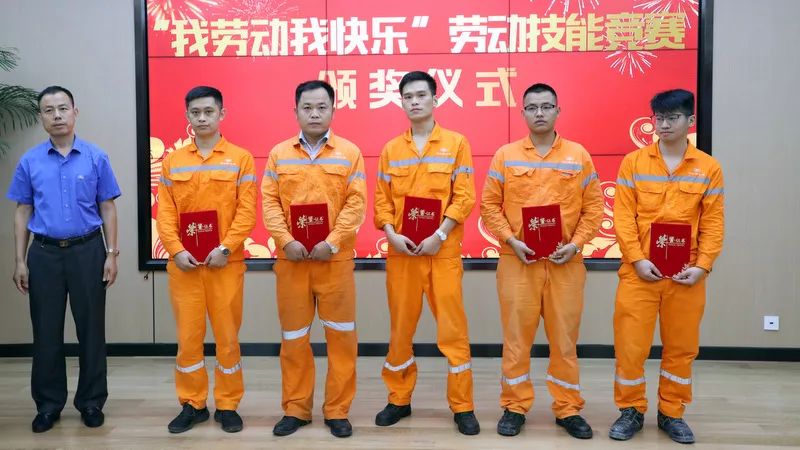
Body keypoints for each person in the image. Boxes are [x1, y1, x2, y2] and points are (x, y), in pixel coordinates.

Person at [480, 82, 603, 439]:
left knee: (564, 340)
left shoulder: (578, 155)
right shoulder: (506, 155)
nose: (539, 113)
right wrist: (511, 240)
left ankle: (568, 408)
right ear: (522, 113)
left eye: (546, 106)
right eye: (532, 107)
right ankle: (514, 406)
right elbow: (489, 205)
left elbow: (594, 207)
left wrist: (576, 245)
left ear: (558, 111)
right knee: (516, 339)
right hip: (519, 262)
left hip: (565, 263)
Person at [608, 89, 724, 444]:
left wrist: (703, 266)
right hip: (639, 274)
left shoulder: (708, 168)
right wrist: (637, 258)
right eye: (658, 118)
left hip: (685, 275)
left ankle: (672, 412)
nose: (664, 124)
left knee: (681, 347)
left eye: (672, 117)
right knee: (630, 347)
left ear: (691, 120)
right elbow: (623, 217)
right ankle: (630, 410)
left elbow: (713, 223)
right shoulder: (633, 163)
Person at [7, 85, 121, 433]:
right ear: (41, 117)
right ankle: (48, 405)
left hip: (88, 251)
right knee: (45, 332)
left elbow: (107, 207)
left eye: (62, 108)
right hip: (43, 254)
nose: (56, 115)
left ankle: (91, 402)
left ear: (75, 112)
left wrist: (111, 254)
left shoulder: (96, 157)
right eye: (48, 110)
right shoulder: (30, 161)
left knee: (91, 330)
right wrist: (20, 260)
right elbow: (22, 210)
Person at [373, 71, 480, 436]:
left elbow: (464, 196)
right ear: (401, 102)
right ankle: (398, 399)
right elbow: (382, 202)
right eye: (408, 96)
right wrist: (391, 234)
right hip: (402, 255)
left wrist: (440, 234)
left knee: (453, 330)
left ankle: (463, 406)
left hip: (442, 252)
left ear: (435, 99)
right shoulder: (391, 149)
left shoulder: (456, 143)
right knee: (400, 330)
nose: (415, 101)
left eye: (421, 95)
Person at [261, 80, 366, 439]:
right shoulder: (279, 154)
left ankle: (337, 410)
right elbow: (269, 203)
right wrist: (285, 240)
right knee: (294, 338)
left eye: (322, 107)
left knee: (341, 338)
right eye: (307, 107)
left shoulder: (349, 153)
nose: (315, 113)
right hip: (292, 262)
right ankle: (296, 408)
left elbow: (356, 204)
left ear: (333, 110)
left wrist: (332, 243)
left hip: (334, 262)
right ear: (296, 111)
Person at [156, 86, 257, 434]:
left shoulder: (240, 158)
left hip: (225, 265)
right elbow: (165, 213)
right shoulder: (173, 161)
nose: (202, 118)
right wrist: (176, 249)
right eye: (195, 112)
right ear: (187, 116)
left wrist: (226, 248)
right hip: (185, 267)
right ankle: (193, 404)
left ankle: (228, 404)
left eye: (209, 112)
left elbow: (246, 212)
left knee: (227, 338)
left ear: (221, 114)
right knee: (188, 338)